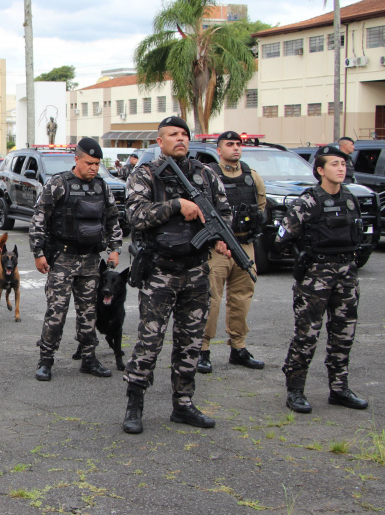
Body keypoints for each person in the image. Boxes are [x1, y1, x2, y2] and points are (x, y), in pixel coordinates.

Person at [121, 116, 231, 433]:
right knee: (149, 342)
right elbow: (135, 215)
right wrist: (174, 205)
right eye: (173, 134)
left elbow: (223, 212)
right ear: (160, 141)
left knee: (190, 343)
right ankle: (134, 404)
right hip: (159, 271)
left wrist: (221, 237)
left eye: (184, 134)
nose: (180, 138)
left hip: (196, 271)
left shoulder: (206, 174)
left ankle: (183, 404)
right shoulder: (145, 175)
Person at [275, 145, 369, 414]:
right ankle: (295, 390)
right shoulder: (308, 201)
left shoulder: (350, 198)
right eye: (335, 164)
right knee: (307, 335)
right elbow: (281, 239)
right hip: (317, 276)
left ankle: (339, 389)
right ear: (320, 170)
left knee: (344, 334)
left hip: (346, 274)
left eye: (343, 164)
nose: (341, 168)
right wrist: (304, 256)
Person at [30, 137, 123, 382]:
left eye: (97, 164)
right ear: (77, 160)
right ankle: (46, 360)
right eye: (89, 163)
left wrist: (115, 249)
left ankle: (89, 358)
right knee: (56, 312)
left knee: (89, 312)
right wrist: (38, 253)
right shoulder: (58, 184)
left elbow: (113, 219)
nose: (94, 168)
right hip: (62, 258)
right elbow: (39, 218)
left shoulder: (102, 187)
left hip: (91, 259)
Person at [198, 131, 266, 374]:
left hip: (244, 246)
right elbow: (201, 210)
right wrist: (216, 237)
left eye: (238, 144)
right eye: (230, 144)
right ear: (219, 150)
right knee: (211, 300)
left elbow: (260, 207)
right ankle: (202, 350)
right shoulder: (208, 175)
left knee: (241, 299)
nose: (236, 148)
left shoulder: (251, 176)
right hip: (218, 248)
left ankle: (238, 347)